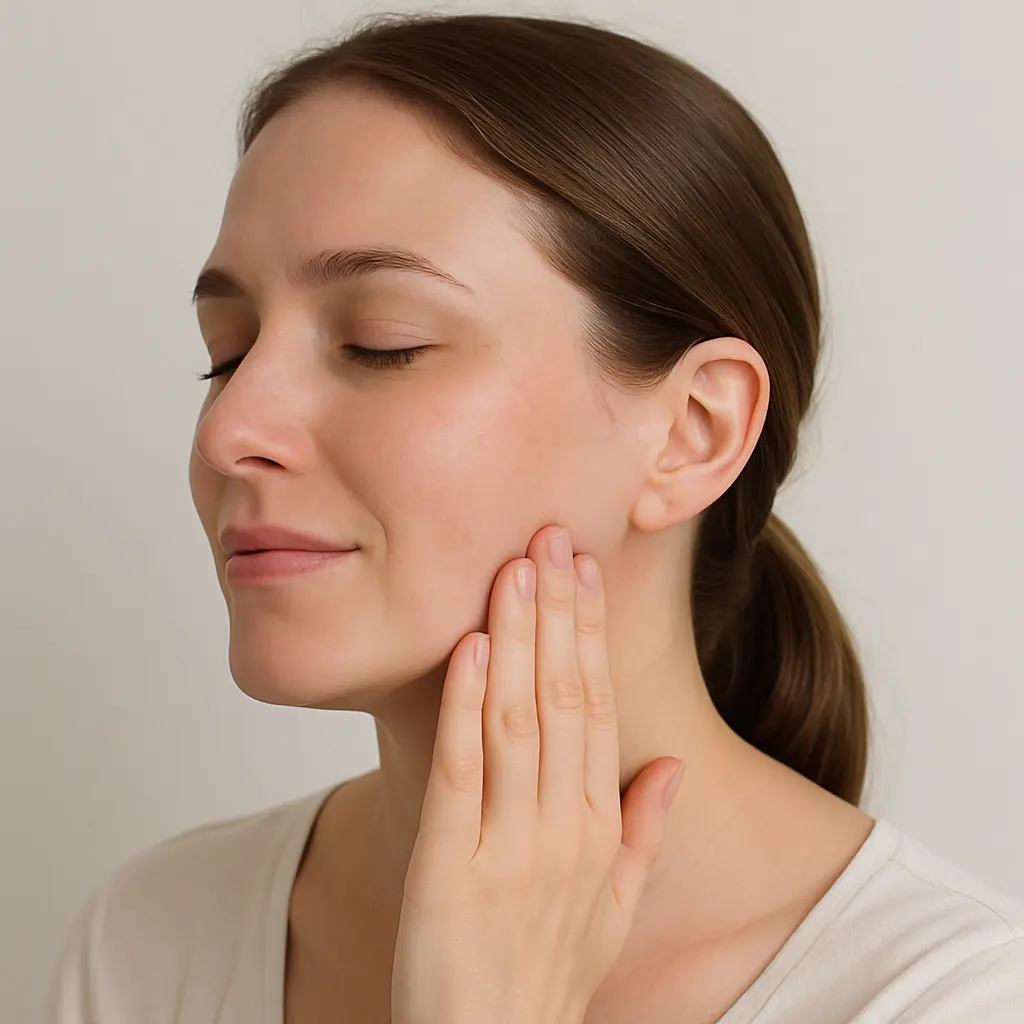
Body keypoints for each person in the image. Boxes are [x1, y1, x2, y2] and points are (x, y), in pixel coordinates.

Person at [46, 11, 1024, 1024]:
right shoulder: (152, 939)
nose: (231, 428)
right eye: (228, 350)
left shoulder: (952, 997)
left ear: (692, 431)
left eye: (383, 342)